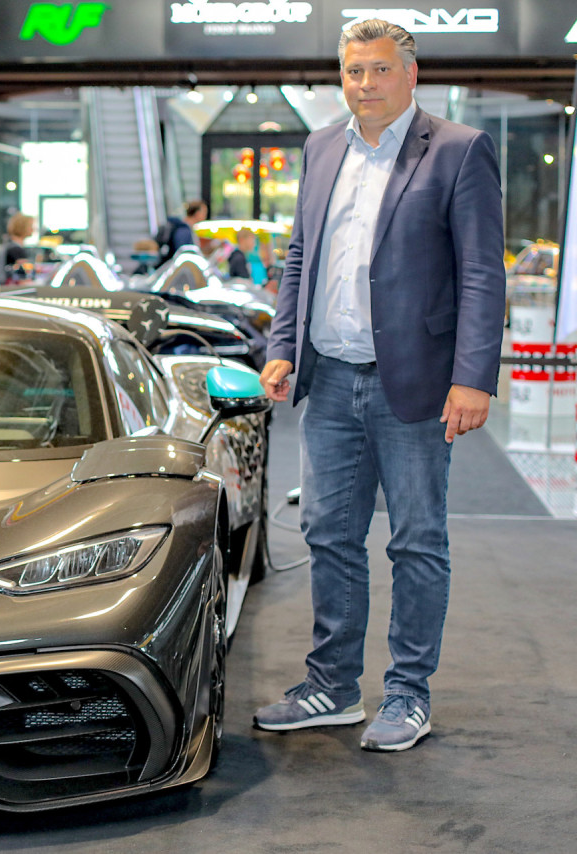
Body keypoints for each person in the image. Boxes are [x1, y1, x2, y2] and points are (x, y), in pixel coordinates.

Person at [253, 19, 506, 751]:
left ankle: (408, 693)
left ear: (411, 74)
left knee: (417, 541)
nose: (366, 84)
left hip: (417, 384)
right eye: (354, 70)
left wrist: (472, 377)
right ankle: (332, 687)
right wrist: (283, 345)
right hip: (329, 378)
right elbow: (300, 254)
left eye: (380, 69)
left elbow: (481, 273)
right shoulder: (320, 146)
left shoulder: (458, 149)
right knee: (329, 534)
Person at [154, 199, 208, 268]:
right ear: (197, 213)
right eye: (204, 212)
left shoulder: (185, 229)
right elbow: (183, 255)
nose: (205, 216)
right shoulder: (184, 231)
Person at [0, 213, 35, 284]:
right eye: (30, 226)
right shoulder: (16, 249)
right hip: (10, 287)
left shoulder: (8, 245)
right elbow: (25, 275)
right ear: (22, 227)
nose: (33, 229)